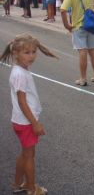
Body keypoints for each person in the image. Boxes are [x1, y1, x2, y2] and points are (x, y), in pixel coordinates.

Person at [0, 34, 57, 195]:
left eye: (33, 52)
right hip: (26, 122)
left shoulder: (20, 70)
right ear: (16, 53)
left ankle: (18, 184)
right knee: (30, 156)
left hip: (21, 121)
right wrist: (35, 123)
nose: (31, 56)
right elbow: (22, 102)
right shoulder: (20, 74)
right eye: (27, 52)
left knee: (25, 154)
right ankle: (32, 188)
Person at [60, 0, 94, 86]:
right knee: (92, 51)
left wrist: (67, 25)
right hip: (91, 25)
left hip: (78, 25)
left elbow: (63, 10)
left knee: (82, 51)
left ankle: (83, 78)